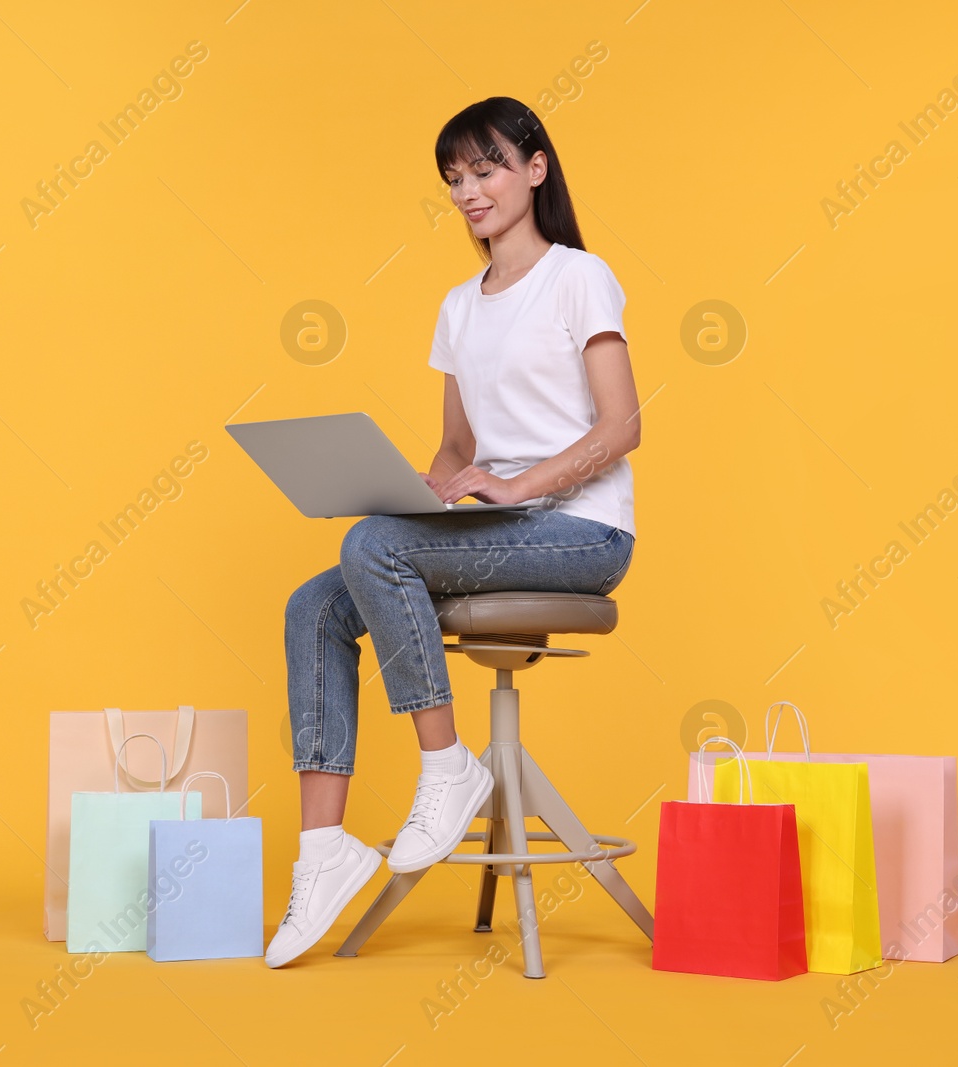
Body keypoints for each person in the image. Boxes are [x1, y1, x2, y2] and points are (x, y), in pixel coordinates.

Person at [265, 96, 642, 968]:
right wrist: (420, 488)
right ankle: (323, 854)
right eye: (455, 178)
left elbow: (622, 426)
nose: (469, 191)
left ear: (535, 167)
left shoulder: (579, 276)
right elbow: (458, 447)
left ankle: (448, 769)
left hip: (582, 533)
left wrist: (515, 487)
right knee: (313, 605)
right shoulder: (458, 306)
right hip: (498, 527)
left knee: (373, 547)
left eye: (487, 169)